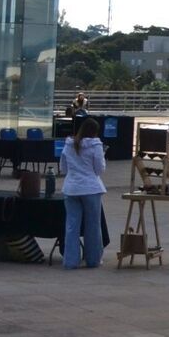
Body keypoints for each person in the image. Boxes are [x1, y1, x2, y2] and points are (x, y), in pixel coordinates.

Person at [58, 114, 107, 269]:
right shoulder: (96, 146)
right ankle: (93, 260)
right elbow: (99, 169)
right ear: (95, 132)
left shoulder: (68, 144)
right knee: (92, 225)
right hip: (91, 188)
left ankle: (70, 261)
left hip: (71, 188)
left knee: (72, 225)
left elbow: (63, 168)